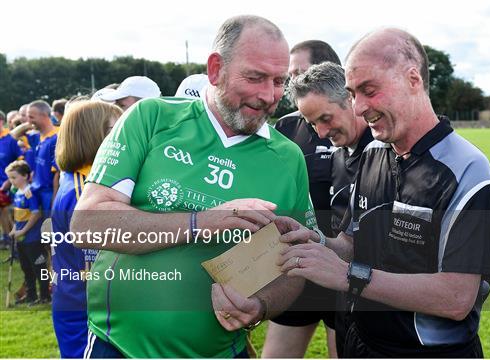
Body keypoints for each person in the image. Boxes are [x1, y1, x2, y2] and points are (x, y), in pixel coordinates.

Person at [71, 15, 314, 358]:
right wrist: (201, 222)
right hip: (119, 347)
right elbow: (88, 225)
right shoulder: (152, 118)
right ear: (215, 69)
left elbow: (295, 264)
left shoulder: (288, 158)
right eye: (255, 77)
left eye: (278, 81)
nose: (268, 95)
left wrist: (260, 305)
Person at [277, 28, 490, 357]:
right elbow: (353, 244)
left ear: (413, 79)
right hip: (362, 343)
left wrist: (347, 276)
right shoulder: (372, 155)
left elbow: (456, 298)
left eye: (369, 90)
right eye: (353, 94)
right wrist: (314, 240)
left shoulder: (467, 168)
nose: (358, 108)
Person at [287, 61, 373, 357]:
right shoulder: (338, 156)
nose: (321, 133)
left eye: (325, 118)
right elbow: (346, 243)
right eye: (312, 124)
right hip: (346, 302)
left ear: (350, 99)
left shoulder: (386, 152)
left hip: (386, 314)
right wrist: (311, 238)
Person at [264, 40, 341, 359]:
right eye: (289, 75)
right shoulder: (286, 127)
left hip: (342, 268)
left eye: (298, 72)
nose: (291, 82)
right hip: (296, 267)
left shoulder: (357, 126)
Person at [50, 101, 123, 358]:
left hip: (77, 301)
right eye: (115, 129)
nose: (123, 135)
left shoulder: (81, 179)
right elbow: (94, 268)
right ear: (93, 135)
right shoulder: (84, 190)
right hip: (86, 310)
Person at [5, 160, 50, 304]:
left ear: (25, 176)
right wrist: (14, 230)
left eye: (14, 177)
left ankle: (45, 296)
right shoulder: (16, 193)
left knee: (39, 268)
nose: (11, 181)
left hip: (33, 238)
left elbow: (36, 214)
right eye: (10, 178)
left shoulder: (30, 193)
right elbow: (19, 217)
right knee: (26, 269)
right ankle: (31, 295)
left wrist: (23, 230)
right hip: (21, 239)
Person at [27, 100, 59, 215]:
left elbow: (57, 173)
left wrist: (55, 200)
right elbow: (14, 135)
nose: (28, 121)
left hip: (49, 192)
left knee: (49, 228)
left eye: (31, 117)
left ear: (44, 115)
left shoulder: (56, 138)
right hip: (36, 189)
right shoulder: (36, 136)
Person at [1, 112, 22, 249]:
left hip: (9, 186)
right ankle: (8, 242)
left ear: (1, 121)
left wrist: (10, 180)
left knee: (11, 216)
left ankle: (16, 245)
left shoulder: (11, 139)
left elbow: (21, 162)